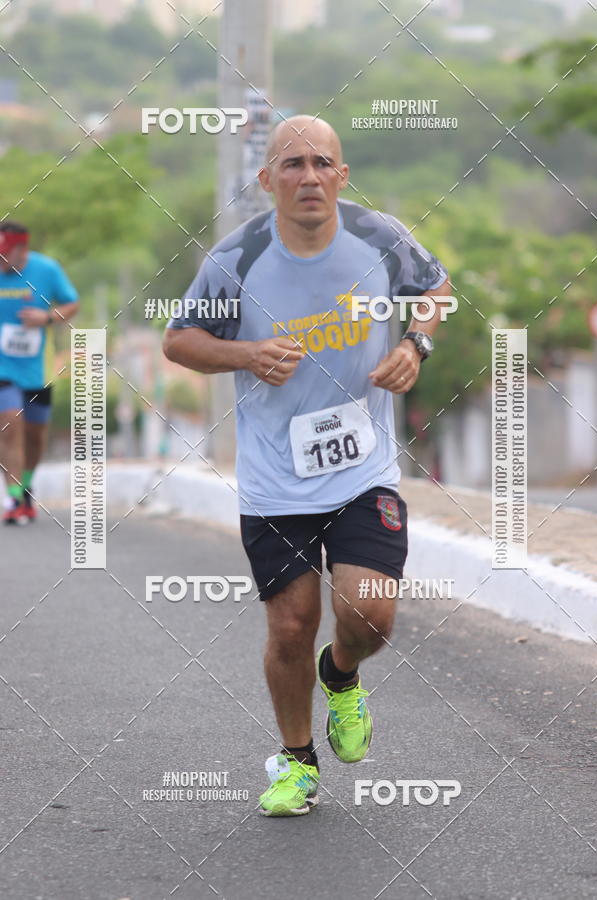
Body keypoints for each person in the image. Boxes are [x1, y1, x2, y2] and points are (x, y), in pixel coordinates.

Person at [163, 115, 452, 816]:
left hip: (363, 468)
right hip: (275, 477)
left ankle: (342, 673)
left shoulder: (379, 237)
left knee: (370, 615)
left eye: (323, 162)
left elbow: (437, 290)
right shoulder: (238, 258)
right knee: (291, 625)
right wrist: (245, 354)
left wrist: (415, 344)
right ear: (268, 180)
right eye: (292, 164)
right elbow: (179, 340)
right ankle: (296, 762)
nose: (310, 176)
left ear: (342, 175)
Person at [0, 221, 79, 524]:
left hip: (38, 369)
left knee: (35, 434)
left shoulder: (47, 270)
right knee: (10, 424)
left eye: (4, 254)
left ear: (22, 249)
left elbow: (72, 304)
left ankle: (25, 486)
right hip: (3, 367)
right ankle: (13, 497)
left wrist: (47, 317)